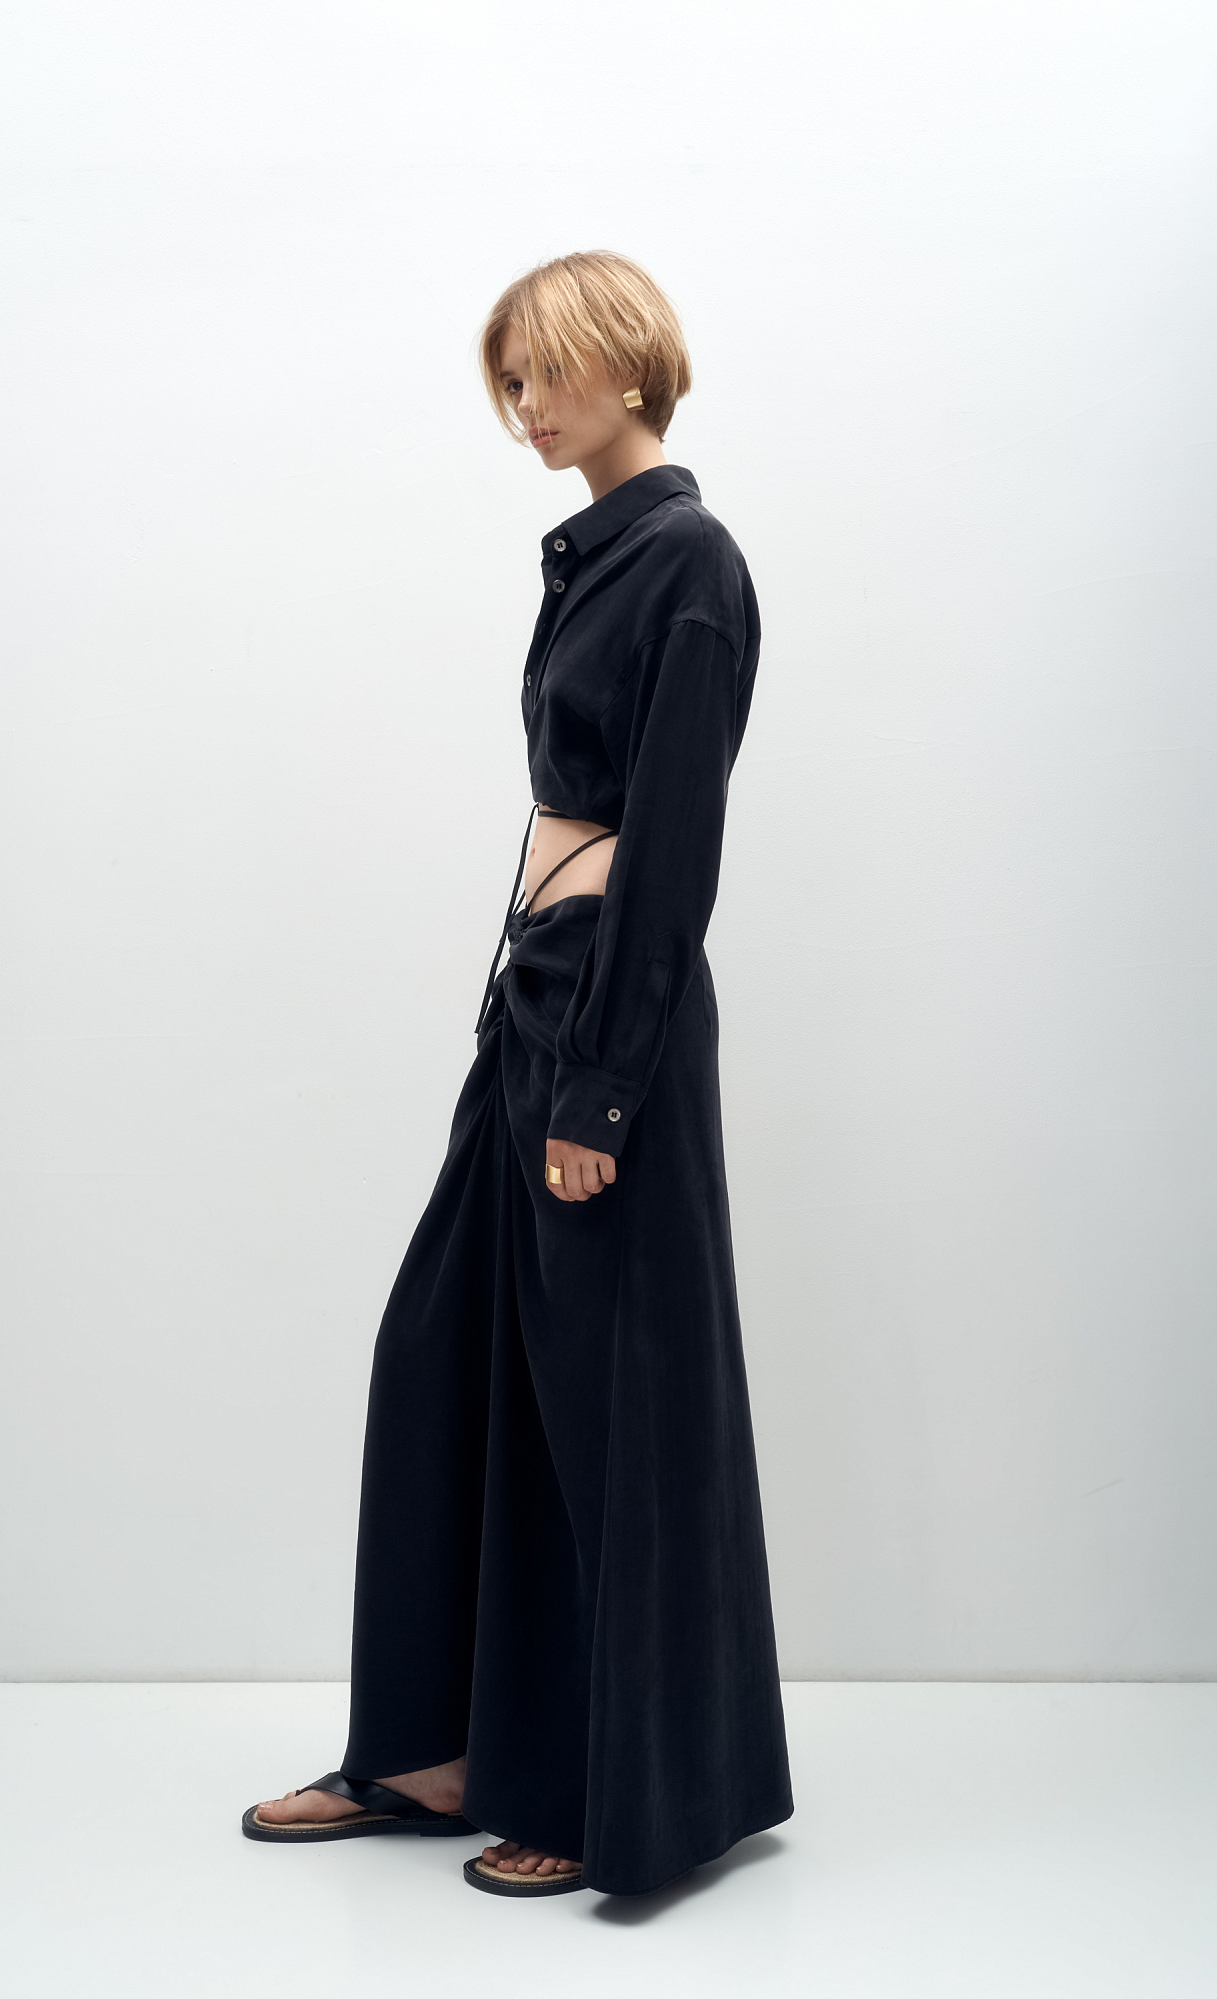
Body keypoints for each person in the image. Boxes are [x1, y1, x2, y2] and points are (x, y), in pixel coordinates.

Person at [242, 250, 793, 1898]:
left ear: (626, 365)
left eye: (545, 374)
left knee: (605, 1409)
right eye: (512, 382)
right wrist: (529, 1023)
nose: (526, 407)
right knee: (444, 1350)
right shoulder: (592, 559)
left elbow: (674, 852)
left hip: (610, 1016)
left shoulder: (689, 563)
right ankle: (434, 1753)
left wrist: (602, 1090)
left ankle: (607, 1790)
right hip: (537, 997)